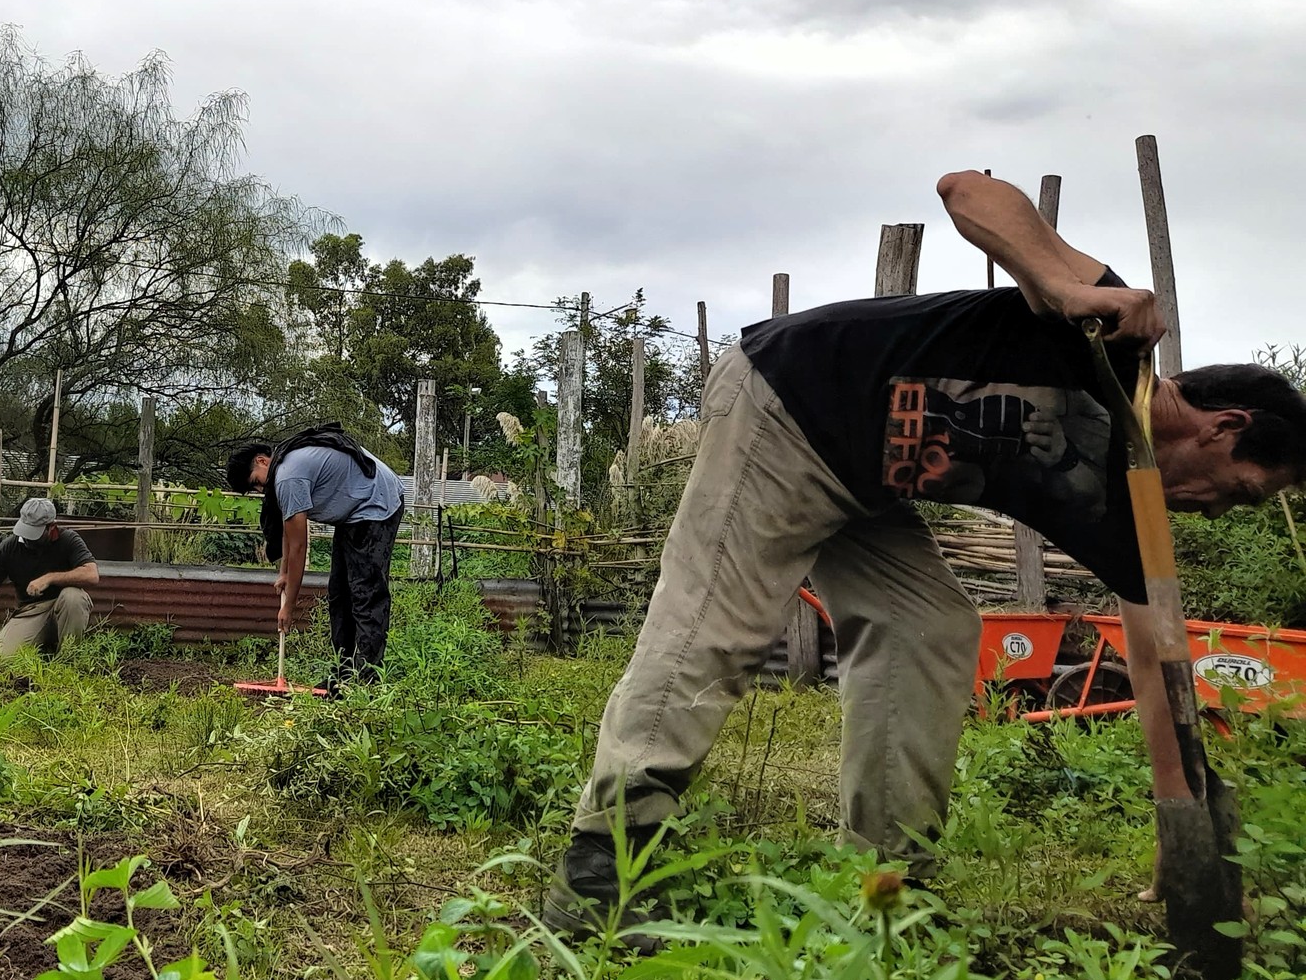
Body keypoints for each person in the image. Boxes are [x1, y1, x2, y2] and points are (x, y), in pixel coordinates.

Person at [545, 169, 1306, 937]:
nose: (1218, 511)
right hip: (790, 402)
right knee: (715, 624)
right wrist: (1060, 287)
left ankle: (888, 881)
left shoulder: (1130, 511)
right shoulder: (1114, 344)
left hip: (865, 480)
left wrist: (1181, 823)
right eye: (1240, 491)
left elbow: (1157, 666)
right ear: (1225, 427)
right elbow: (966, 190)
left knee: (928, 628)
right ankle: (601, 869)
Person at [227, 422, 406, 686]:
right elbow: (289, 532)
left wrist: (289, 608)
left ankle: (366, 679)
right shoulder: (284, 472)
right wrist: (284, 572)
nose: (260, 490)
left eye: (256, 482)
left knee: (365, 593)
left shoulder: (288, 477)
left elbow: (299, 546)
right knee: (339, 593)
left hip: (377, 503)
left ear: (262, 461)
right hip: (353, 513)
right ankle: (343, 674)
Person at [0, 496, 100, 657]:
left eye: (34, 533)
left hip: (63, 606)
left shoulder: (69, 540)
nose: (27, 538)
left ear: (51, 527)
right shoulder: (9, 547)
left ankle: (68, 658)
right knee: (5, 657)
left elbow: (92, 574)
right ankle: (42, 644)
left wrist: (49, 578)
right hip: (31, 611)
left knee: (74, 597)